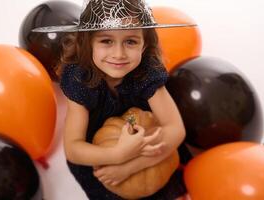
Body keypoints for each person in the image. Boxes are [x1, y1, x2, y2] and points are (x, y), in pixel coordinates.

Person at [34, 0, 194, 199]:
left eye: (131, 41)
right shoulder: (79, 78)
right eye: (106, 41)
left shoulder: (146, 72)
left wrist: (130, 165)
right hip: (100, 149)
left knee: (166, 180)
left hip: (144, 131)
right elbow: (74, 148)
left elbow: (175, 129)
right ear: (88, 42)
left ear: (144, 46)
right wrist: (117, 155)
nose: (119, 54)